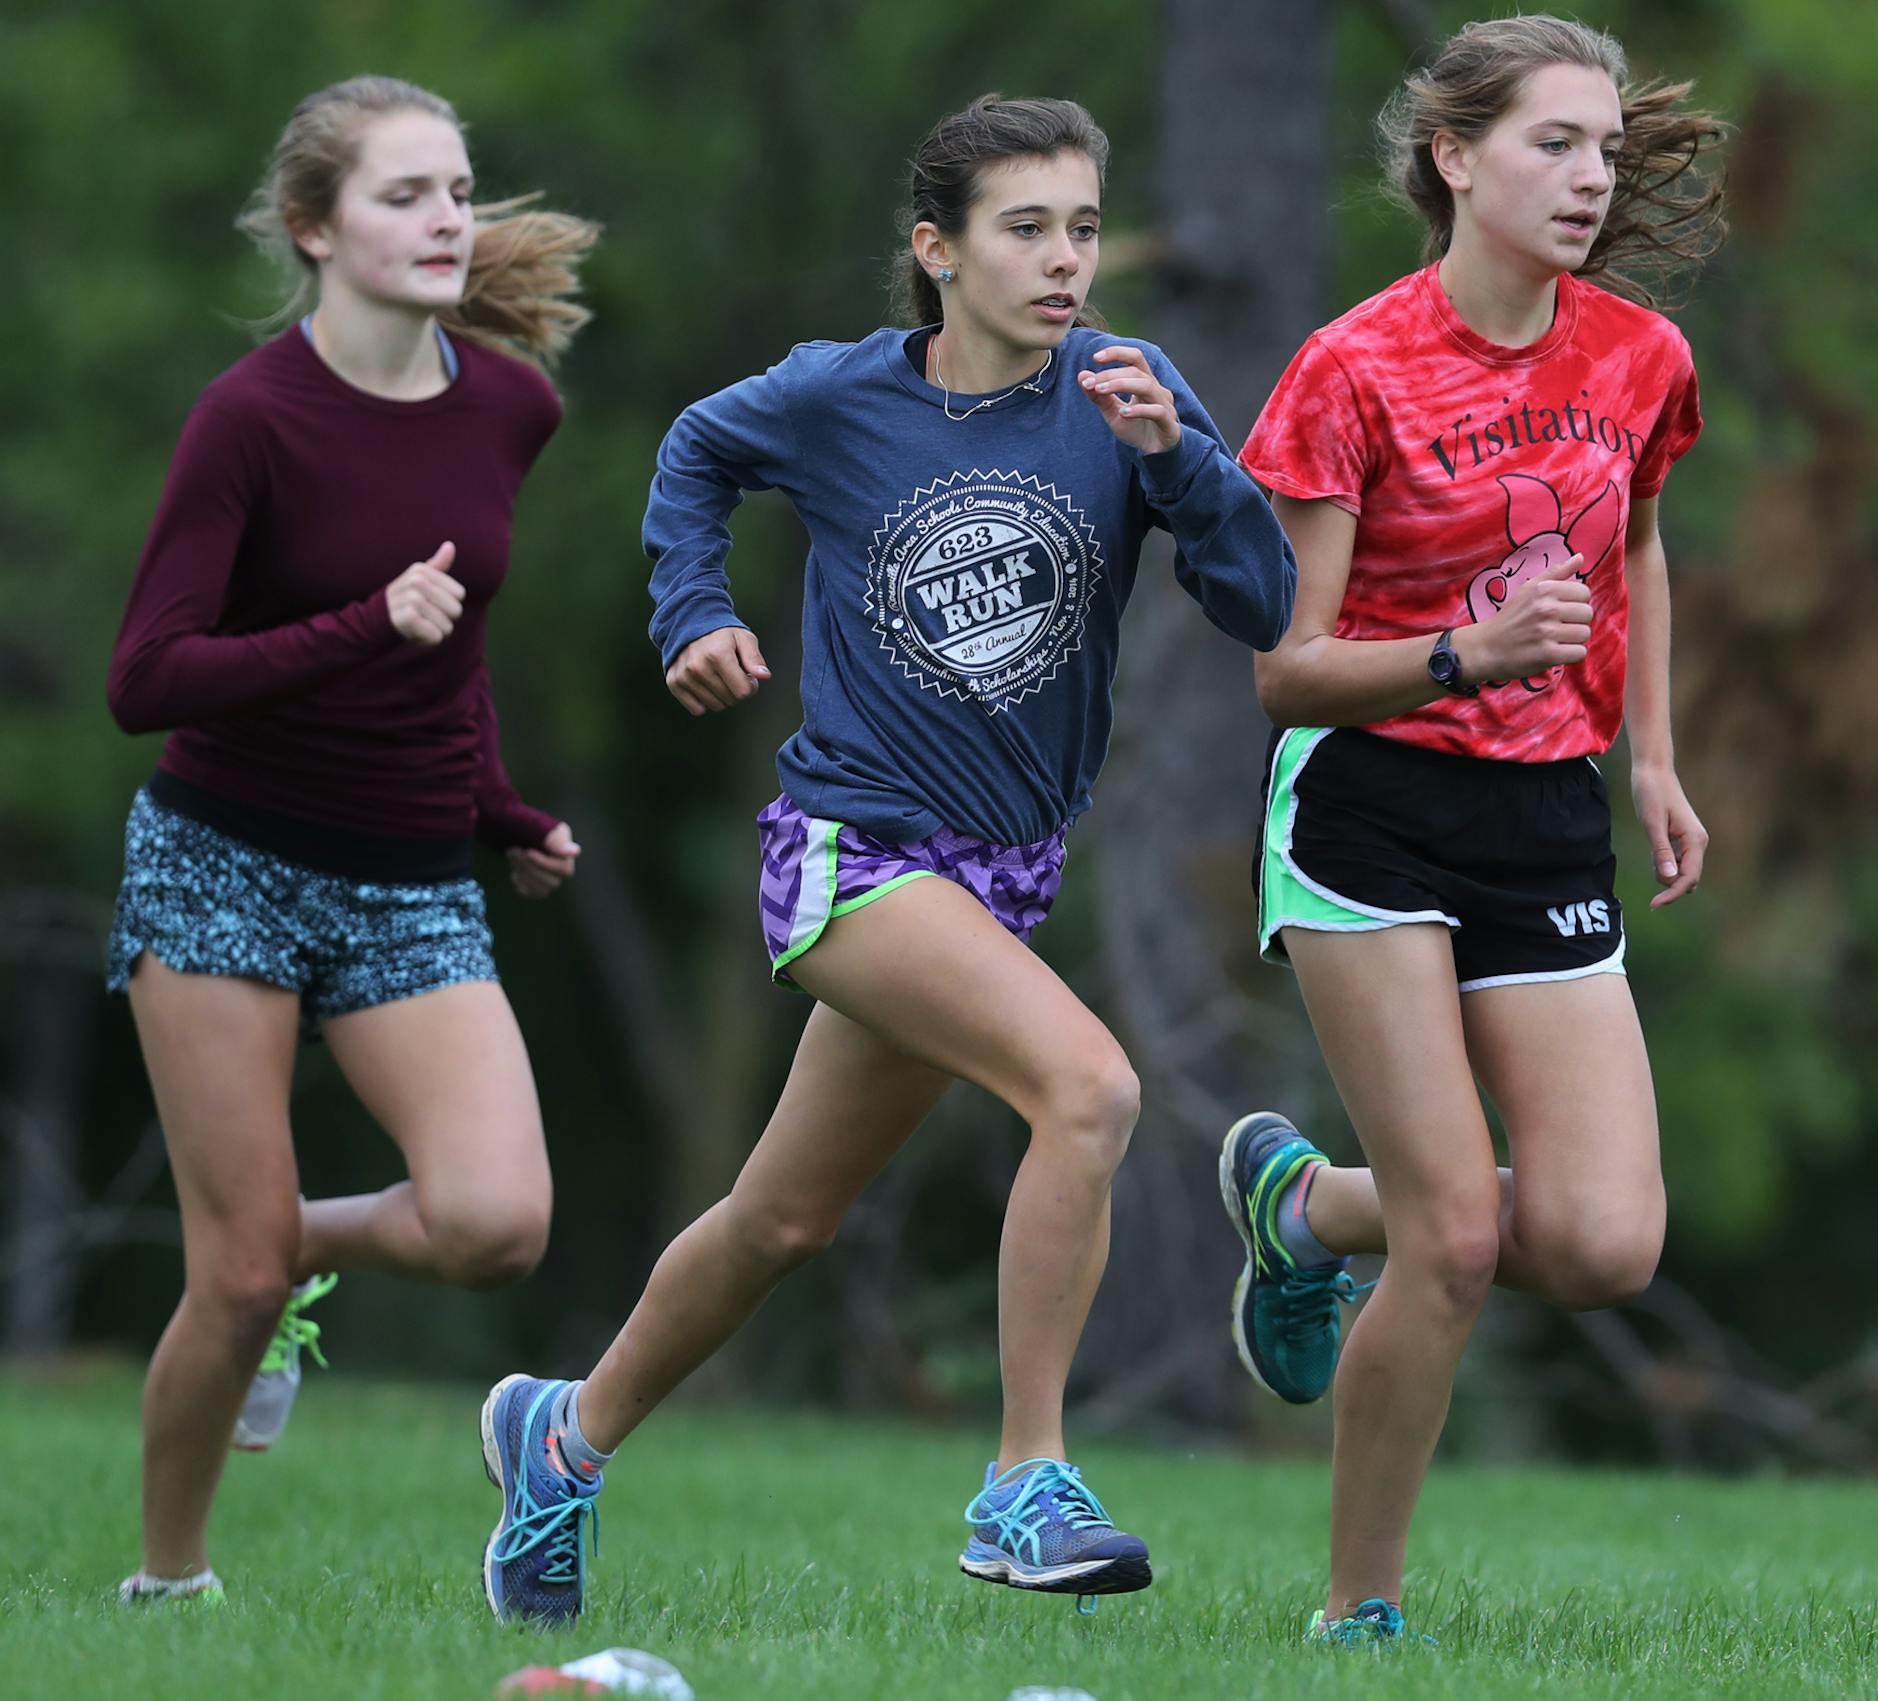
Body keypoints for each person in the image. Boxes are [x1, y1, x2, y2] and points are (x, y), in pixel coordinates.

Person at [477, 93, 1295, 1627]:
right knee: (1092, 1088)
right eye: (1026, 229)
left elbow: (1261, 601)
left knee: (783, 1220)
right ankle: (1025, 1480)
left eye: (1085, 227)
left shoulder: (1130, 393)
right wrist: (690, 611)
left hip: (1002, 878)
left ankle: (562, 1438)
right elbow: (694, 453)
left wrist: (1178, 458)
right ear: (937, 250)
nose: (1067, 261)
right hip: (850, 854)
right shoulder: (835, 397)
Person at [1215, 16, 1726, 1644]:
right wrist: (1461, 653)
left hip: (1544, 809)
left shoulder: (1640, 357)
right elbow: (1285, 674)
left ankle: (1307, 1209)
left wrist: (1650, 752)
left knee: (1594, 1239)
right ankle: (1359, 1618)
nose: (1591, 177)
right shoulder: (1351, 368)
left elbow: (1635, 543)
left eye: (1602, 149)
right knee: (1453, 1237)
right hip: (1367, 799)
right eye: (1551, 144)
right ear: (1455, 159)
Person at [104, 75, 596, 1605]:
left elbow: (454, 653)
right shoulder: (249, 419)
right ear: (315, 229)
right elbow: (147, 678)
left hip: (408, 875)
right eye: (405, 194)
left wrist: (500, 812)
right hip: (221, 863)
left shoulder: (512, 402)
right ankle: (169, 1585)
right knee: (231, 1277)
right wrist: (355, 622)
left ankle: (289, 1245)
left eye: (457, 187)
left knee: (497, 1221)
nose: (449, 216)